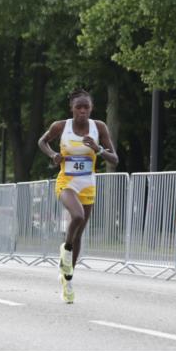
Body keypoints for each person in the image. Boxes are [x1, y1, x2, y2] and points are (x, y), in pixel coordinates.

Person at [38, 89, 119, 304]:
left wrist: (99, 149)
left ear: (91, 109)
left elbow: (114, 159)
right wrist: (53, 155)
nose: (82, 111)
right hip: (67, 182)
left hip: (88, 184)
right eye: (78, 107)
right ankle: (65, 250)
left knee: (79, 235)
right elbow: (42, 142)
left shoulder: (98, 127)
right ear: (71, 108)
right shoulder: (60, 126)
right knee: (77, 216)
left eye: (86, 107)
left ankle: (68, 279)